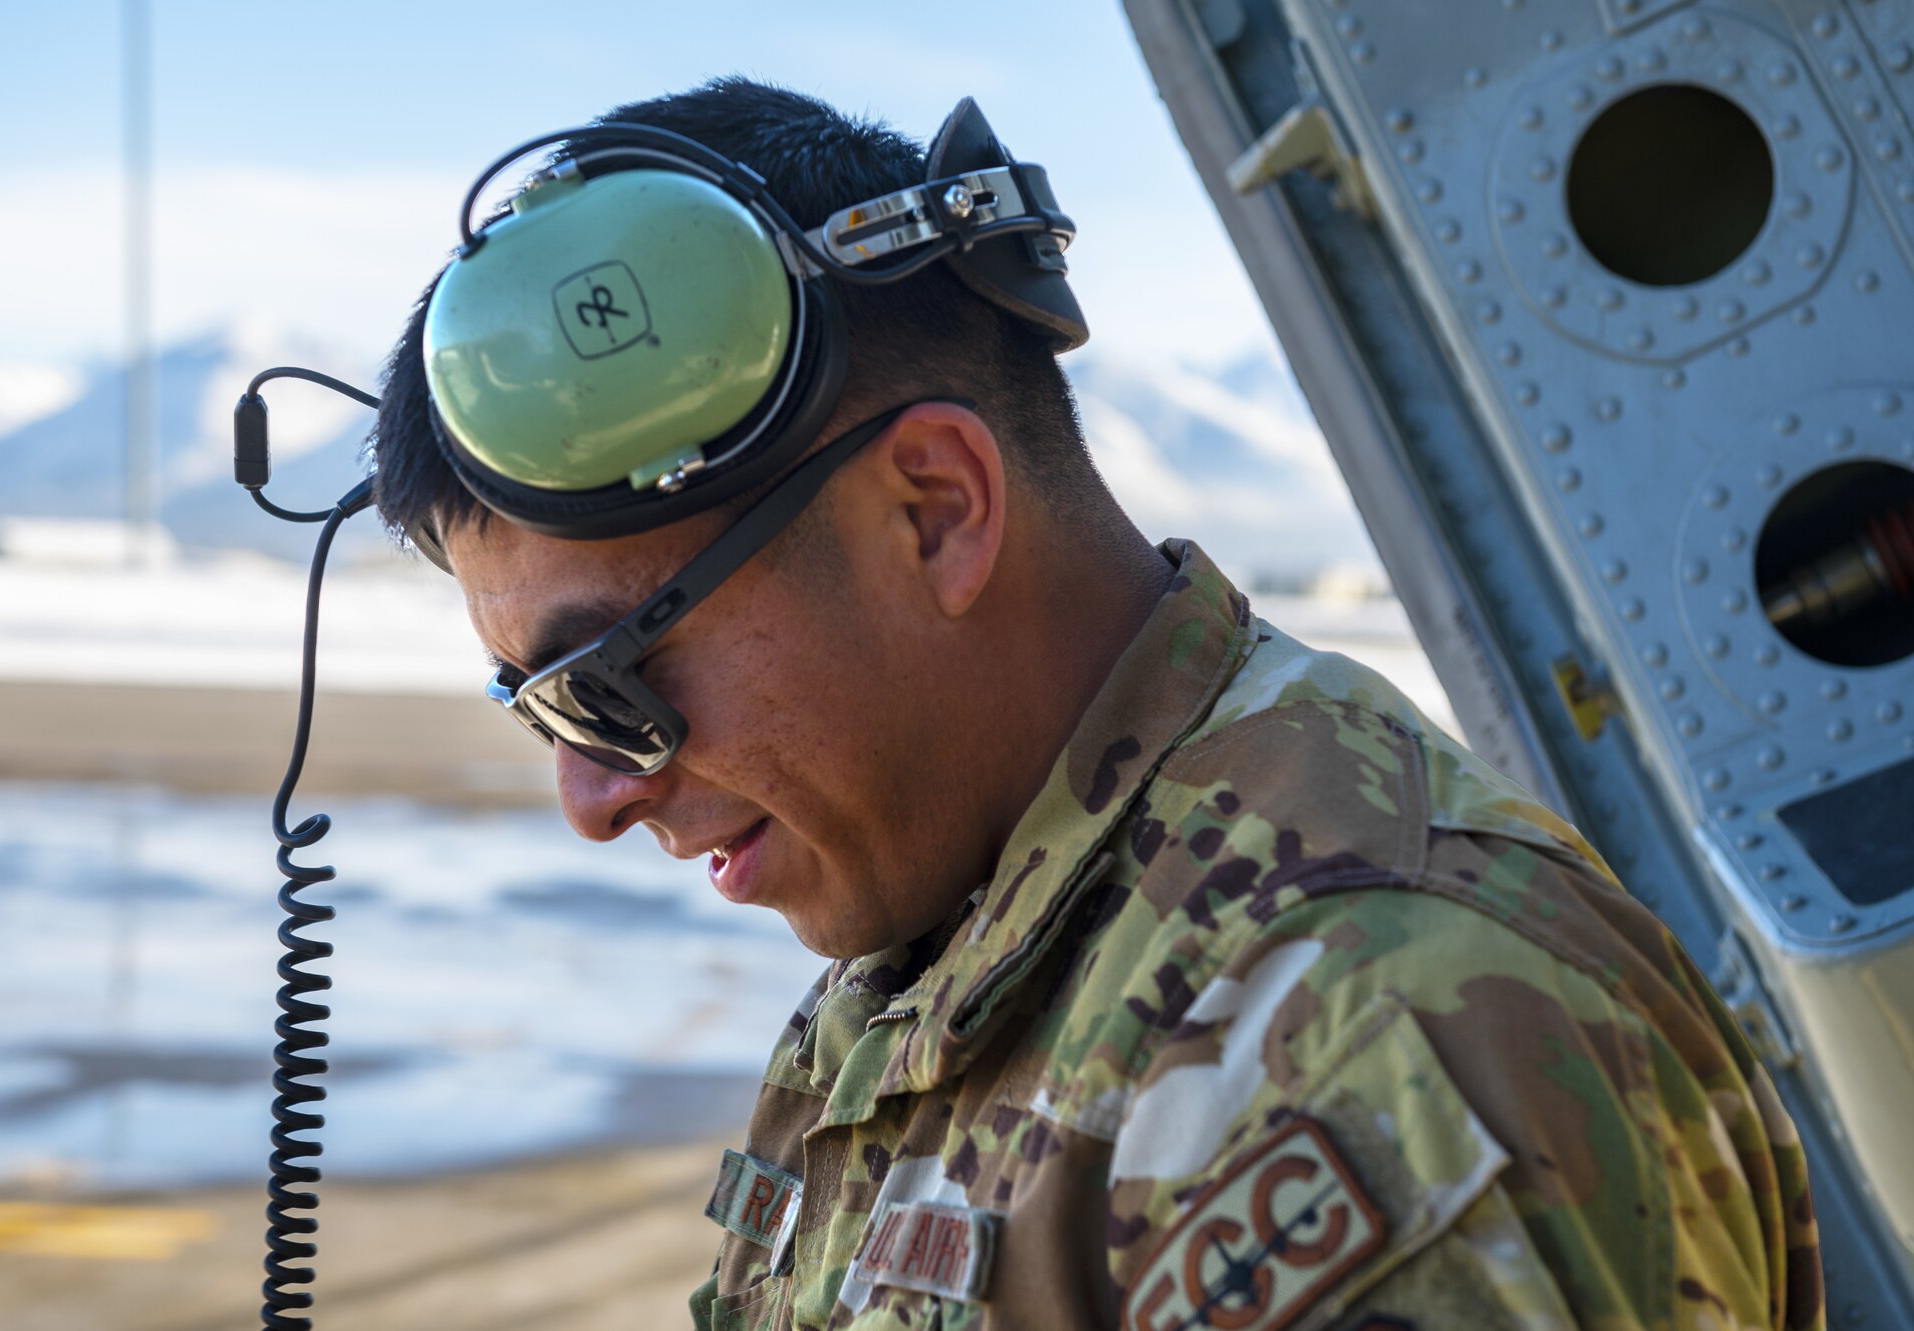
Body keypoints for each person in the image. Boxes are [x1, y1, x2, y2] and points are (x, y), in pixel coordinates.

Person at [367, 77, 1821, 1331]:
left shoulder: (1369, 1032)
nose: (593, 795)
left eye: (611, 685)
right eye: (538, 709)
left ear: (934, 512)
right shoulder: (941, 950)